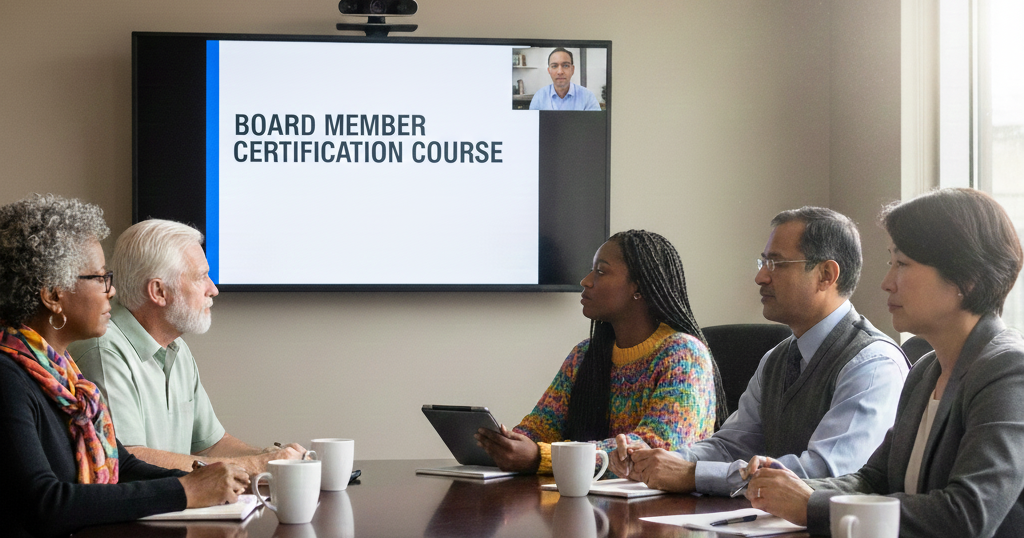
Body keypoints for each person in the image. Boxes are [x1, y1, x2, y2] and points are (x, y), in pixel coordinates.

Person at [747, 189, 1024, 538]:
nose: (886, 283)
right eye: (891, 263)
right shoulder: (925, 371)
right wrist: (794, 488)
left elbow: (967, 515)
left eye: (902, 264)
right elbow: (874, 479)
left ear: (966, 278)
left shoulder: (1009, 371)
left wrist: (812, 505)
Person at [614, 207, 910, 495]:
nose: (761, 277)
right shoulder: (776, 358)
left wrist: (693, 474)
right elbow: (730, 446)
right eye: (764, 262)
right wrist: (662, 460)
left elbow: (827, 471)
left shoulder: (872, 363)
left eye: (777, 264)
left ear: (826, 274)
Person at [0, 194, 248, 538]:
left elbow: (122, 464)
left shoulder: (65, 378)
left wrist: (203, 481)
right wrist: (186, 490)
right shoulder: (8, 378)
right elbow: (47, 504)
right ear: (53, 295)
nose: (112, 291)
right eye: (100, 278)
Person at [475, 230, 728, 474]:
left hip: (660, 502)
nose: (586, 281)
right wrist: (506, 445)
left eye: (601, 271)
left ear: (638, 287)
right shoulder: (585, 354)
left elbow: (654, 448)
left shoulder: (684, 355)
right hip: (589, 499)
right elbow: (542, 425)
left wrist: (542, 457)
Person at [67, 219, 305, 474]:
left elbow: (211, 445)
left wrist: (271, 458)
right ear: (159, 291)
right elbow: (127, 461)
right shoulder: (103, 352)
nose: (213, 289)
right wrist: (256, 466)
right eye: (201, 277)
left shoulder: (176, 348)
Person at [528, 48, 602, 111]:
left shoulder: (587, 97)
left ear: (572, 69)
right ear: (549, 70)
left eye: (566, 65)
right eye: (554, 66)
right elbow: (532, 123)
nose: (560, 72)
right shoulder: (539, 97)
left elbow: (595, 123)